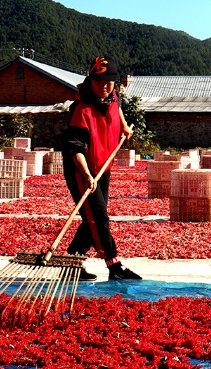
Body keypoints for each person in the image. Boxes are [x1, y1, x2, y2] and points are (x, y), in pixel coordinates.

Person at [62, 55, 141, 281]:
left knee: (93, 217)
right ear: (91, 80)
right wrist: (87, 175)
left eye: (109, 81)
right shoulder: (82, 110)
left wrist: (125, 127)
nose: (104, 86)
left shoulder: (111, 95)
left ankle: (72, 262)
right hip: (82, 169)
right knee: (98, 217)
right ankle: (114, 265)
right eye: (99, 81)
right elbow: (75, 149)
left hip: (103, 166)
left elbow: (117, 108)